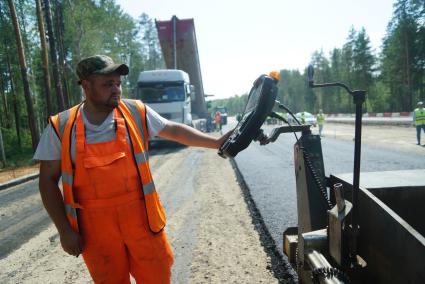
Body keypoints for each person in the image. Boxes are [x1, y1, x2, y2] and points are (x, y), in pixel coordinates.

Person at [33, 55, 232, 284]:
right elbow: (47, 181)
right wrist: (64, 230)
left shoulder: (135, 111)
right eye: (108, 84)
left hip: (143, 225)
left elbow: (174, 131)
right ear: (86, 85)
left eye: (118, 83)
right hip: (95, 234)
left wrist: (215, 142)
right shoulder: (60, 126)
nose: (116, 89)